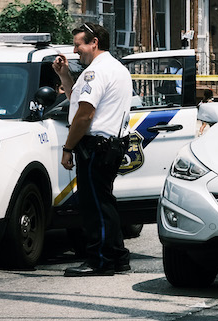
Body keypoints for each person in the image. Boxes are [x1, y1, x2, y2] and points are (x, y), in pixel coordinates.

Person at [52, 22, 133, 276]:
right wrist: (64, 75)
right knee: (104, 203)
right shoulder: (115, 68)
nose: (75, 51)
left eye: (78, 45)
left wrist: (68, 148)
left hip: (96, 146)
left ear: (94, 42)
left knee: (94, 206)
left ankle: (100, 260)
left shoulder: (95, 72)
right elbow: (78, 102)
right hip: (111, 145)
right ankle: (118, 257)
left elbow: (84, 115)